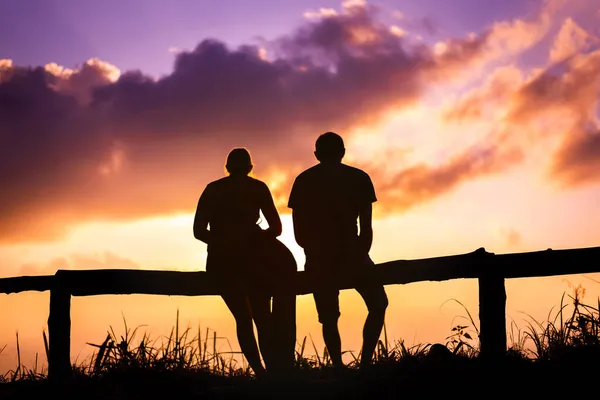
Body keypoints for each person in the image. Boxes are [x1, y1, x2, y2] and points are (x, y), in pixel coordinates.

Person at [287, 132, 388, 368]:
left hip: (319, 256)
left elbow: (298, 231)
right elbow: (366, 227)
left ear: (316, 154)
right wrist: (360, 254)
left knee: (329, 318)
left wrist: (313, 250)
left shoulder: (304, 180)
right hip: (353, 252)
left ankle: (338, 367)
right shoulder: (359, 178)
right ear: (343, 152)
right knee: (378, 304)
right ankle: (365, 362)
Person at [193, 148, 296, 377]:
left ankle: (261, 372)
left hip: (223, 262)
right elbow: (277, 229)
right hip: (255, 260)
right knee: (262, 318)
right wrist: (254, 239)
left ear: (227, 168)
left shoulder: (213, 189)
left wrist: (223, 242)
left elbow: (199, 231)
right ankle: (273, 372)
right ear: (250, 168)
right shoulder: (258, 188)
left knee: (243, 317)